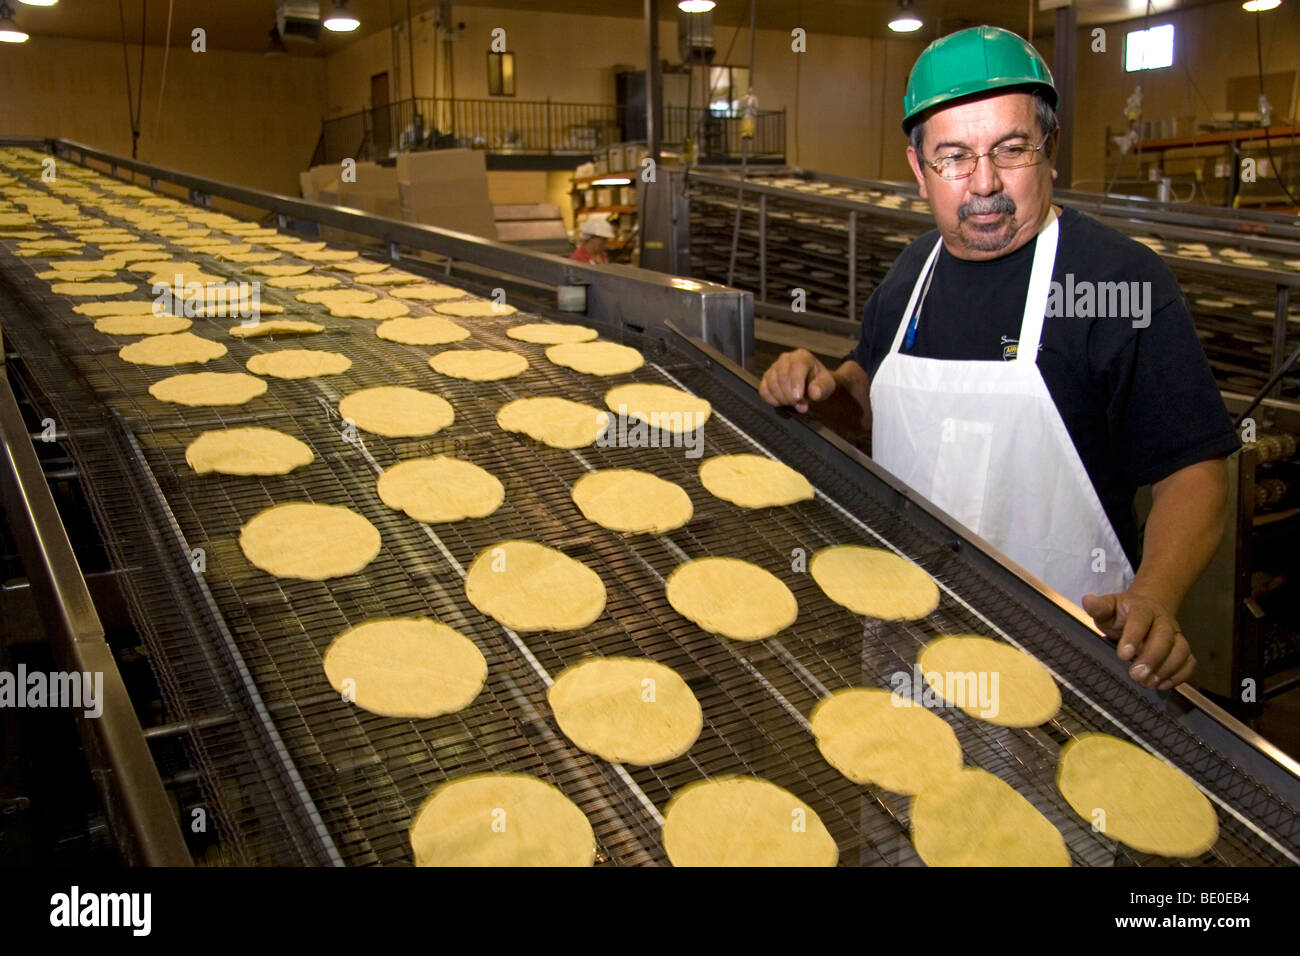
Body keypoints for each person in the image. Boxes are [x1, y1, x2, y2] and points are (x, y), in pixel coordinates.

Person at [759, 25, 1238, 692]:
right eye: (953, 157)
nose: (984, 182)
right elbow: (867, 404)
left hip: (1072, 658)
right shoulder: (909, 276)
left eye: (1010, 149)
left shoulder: (1115, 281)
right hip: (907, 636)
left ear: (1051, 151)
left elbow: (1193, 471)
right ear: (918, 169)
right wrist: (820, 386)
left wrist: (1155, 596)